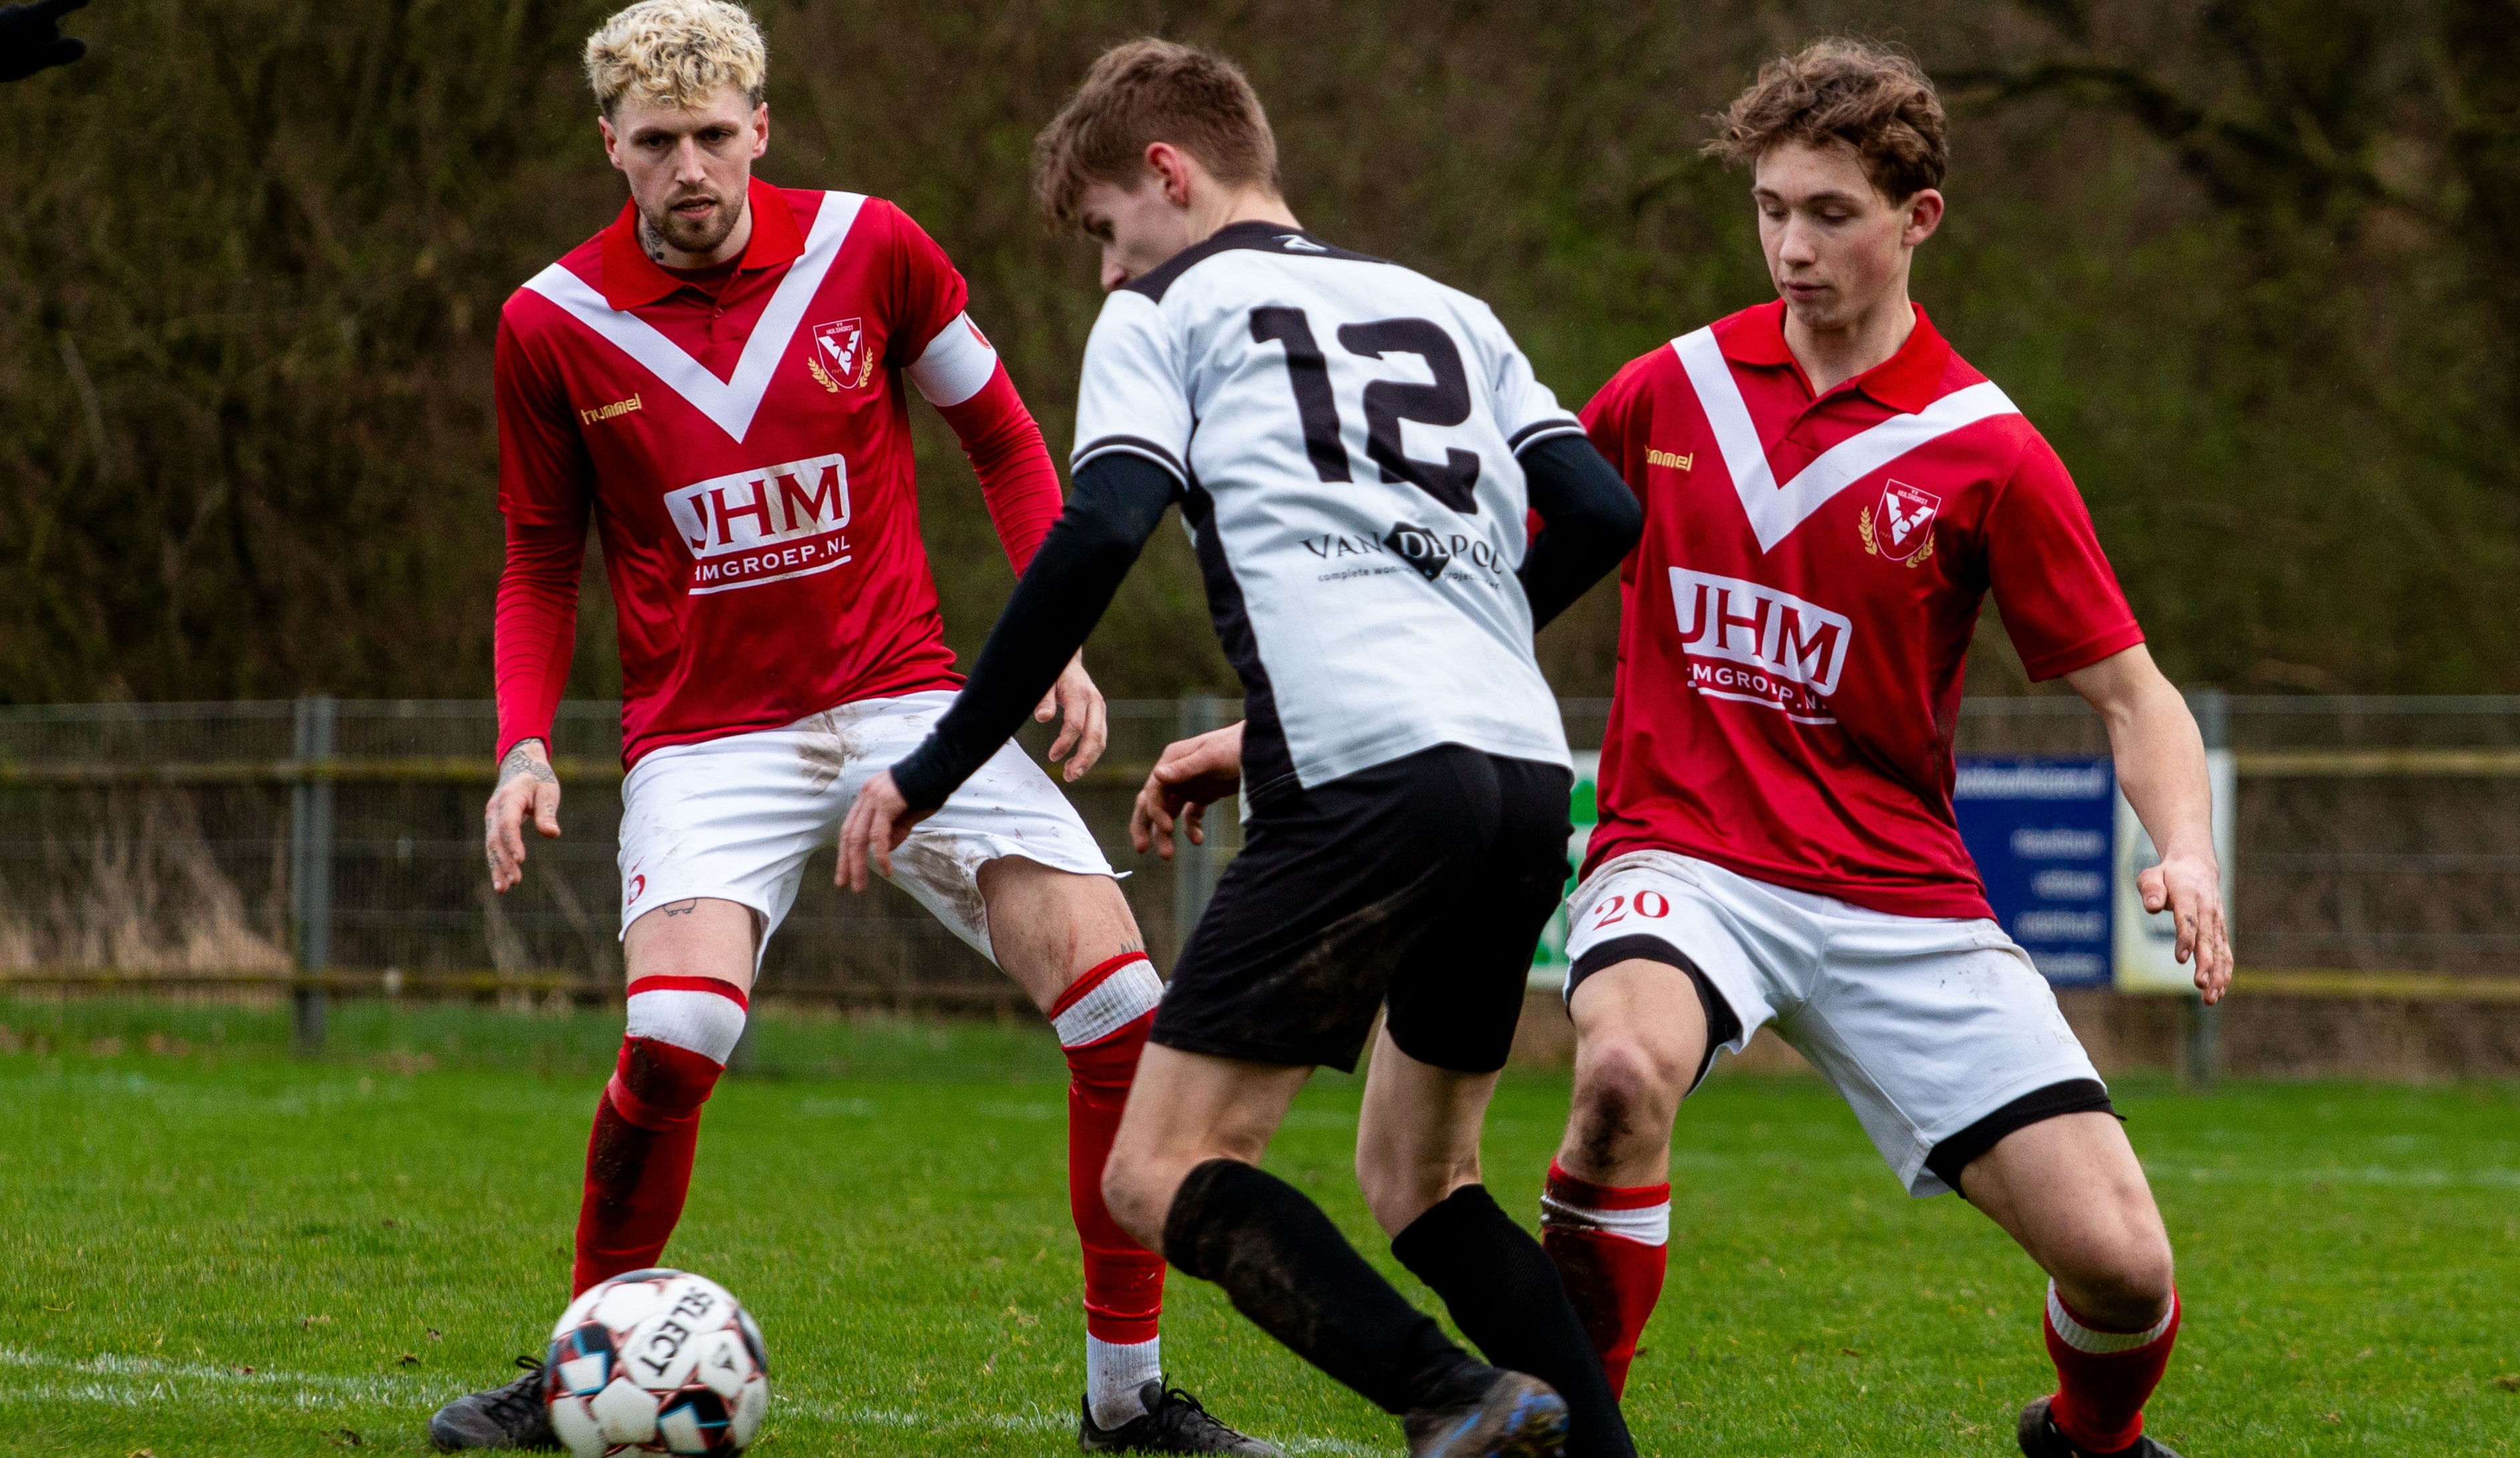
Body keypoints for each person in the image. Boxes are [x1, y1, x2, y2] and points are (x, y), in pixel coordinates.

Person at [433, 5, 1272, 1453]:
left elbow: (1008, 439)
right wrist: (523, 743)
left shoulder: (871, 247)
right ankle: (582, 1363)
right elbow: (535, 558)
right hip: (708, 736)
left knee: (1125, 1008)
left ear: (761, 124)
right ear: (609, 147)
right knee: (680, 1028)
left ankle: (1125, 1401)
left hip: (909, 699)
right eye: (654, 143)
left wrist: (1048, 637)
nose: (688, 167)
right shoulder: (548, 323)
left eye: (712, 134)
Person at [836, 39, 1644, 1458]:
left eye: (1104, 230)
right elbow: (1596, 511)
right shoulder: (1446, 306)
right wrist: (1394, 669)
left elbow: (1096, 531)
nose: (1104, 272)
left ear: (1169, 172)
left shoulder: (1170, 313)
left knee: (1160, 1169)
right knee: (1427, 1179)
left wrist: (930, 768)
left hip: (1369, 785)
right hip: (1522, 774)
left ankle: (1455, 1396)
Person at [1522, 40, 2225, 1458]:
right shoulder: (1667, 393)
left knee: (2125, 1266)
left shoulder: (1989, 451)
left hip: (1898, 892)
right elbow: (1488, 596)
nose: (1792, 245)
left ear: (1919, 219)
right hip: (1686, 854)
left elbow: (2137, 696)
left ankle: (2086, 1438)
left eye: (1830, 212)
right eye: (1772, 207)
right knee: (1616, 1079)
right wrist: (1283, 730)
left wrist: (2190, 853)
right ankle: (1567, 1436)